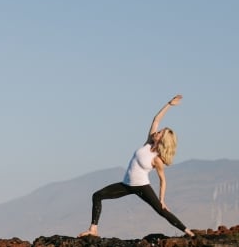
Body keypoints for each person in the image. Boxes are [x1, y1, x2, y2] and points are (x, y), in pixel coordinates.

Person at [78, 94, 195, 238]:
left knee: (161, 211)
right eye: (158, 131)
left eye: (159, 133)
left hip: (142, 187)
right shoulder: (148, 142)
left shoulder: (157, 160)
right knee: (97, 196)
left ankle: (188, 231)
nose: (156, 132)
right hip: (126, 185)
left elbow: (163, 180)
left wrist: (162, 199)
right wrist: (169, 105)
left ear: (162, 139)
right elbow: (156, 119)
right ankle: (93, 229)